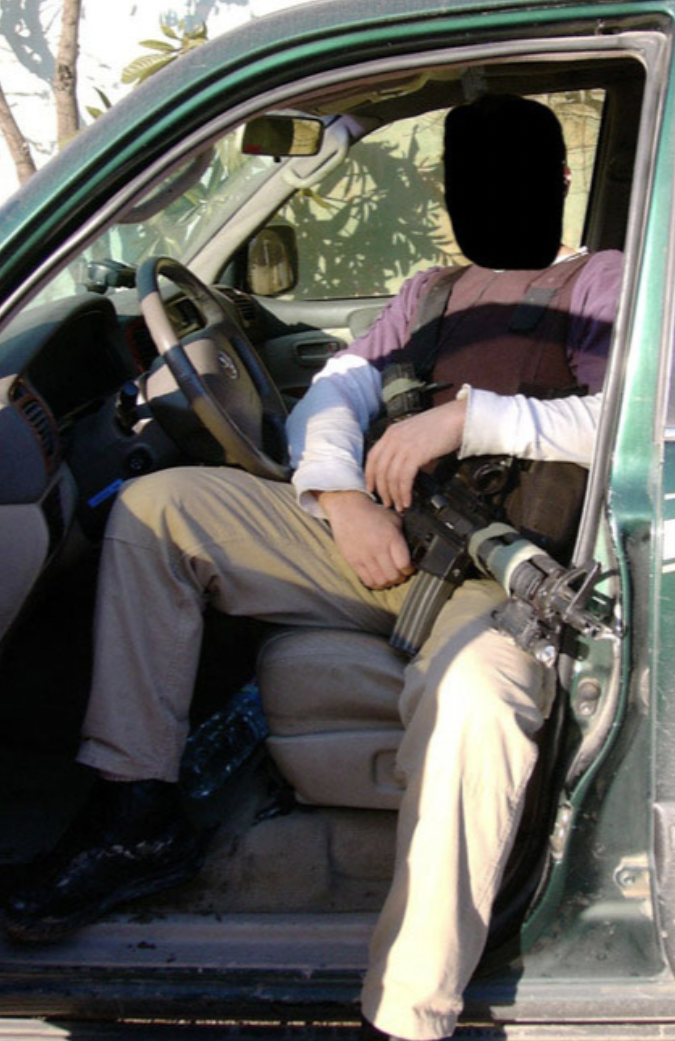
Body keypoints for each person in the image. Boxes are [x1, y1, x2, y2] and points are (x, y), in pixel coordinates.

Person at [4, 94, 622, 1041]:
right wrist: (337, 498)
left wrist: (470, 417)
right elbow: (336, 384)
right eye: (468, 179)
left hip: (505, 581)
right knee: (157, 510)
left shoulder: (603, 282)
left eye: (509, 176)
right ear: (447, 191)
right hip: (381, 542)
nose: (483, 198)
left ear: (564, 183)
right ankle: (136, 806)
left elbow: (638, 406)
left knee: (480, 707)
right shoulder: (429, 293)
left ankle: (410, 1011)